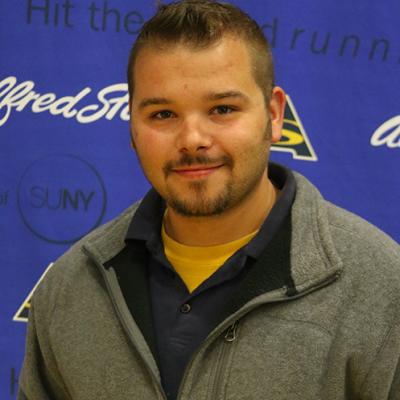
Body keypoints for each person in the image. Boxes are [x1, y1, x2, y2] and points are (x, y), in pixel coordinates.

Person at [18, 1, 400, 399]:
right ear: (132, 125)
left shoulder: (382, 286)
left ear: (274, 115)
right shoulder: (71, 287)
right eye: (163, 114)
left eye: (222, 109)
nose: (192, 139)